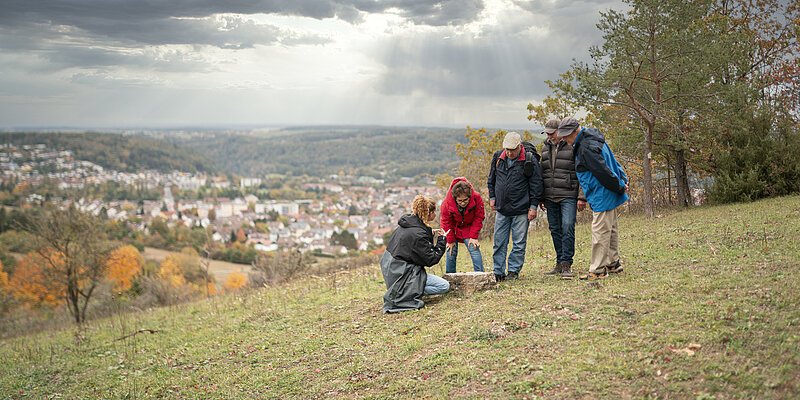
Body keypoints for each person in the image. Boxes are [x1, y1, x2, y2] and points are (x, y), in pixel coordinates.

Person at [558, 117, 628, 280]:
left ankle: (597, 270)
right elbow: (612, 161)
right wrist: (621, 180)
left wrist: (619, 185)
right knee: (611, 229)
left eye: (566, 135)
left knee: (600, 231)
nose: (563, 139)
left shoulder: (585, 147)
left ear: (574, 132)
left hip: (602, 192)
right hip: (608, 190)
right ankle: (613, 262)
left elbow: (602, 171)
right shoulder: (593, 138)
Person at [487, 131, 543, 282]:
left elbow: (536, 184)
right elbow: (491, 179)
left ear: (519, 146)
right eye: (507, 149)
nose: (509, 152)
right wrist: (492, 197)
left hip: (521, 209)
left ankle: (513, 271)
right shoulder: (498, 157)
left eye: (512, 149)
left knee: (519, 243)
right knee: (499, 242)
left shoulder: (529, 160)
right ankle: (498, 271)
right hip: (502, 209)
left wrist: (533, 206)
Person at [380, 195, 450, 313]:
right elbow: (431, 259)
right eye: (434, 211)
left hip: (391, 270)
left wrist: (429, 232)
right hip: (402, 273)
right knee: (443, 286)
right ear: (429, 213)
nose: (435, 214)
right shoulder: (418, 234)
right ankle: (410, 293)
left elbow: (413, 238)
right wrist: (442, 240)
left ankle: (410, 290)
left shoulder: (407, 223)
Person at [539, 118, 587, 279]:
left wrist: (582, 196)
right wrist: (541, 196)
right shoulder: (545, 148)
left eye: (551, 133)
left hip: (568, 194)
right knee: (555, 229)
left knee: (567, 227)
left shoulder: (572, 146)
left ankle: (567, 263)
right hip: (550, 195)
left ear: (559, 131)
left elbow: (582, 171)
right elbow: (542, 173)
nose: (549, 136)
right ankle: (559, 262)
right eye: (547, 133)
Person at [440, 177, 485, 273]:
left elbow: (479, 217)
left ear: (470, 196)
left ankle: (480, 275)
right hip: (454, 228)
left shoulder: (476, 198)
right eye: (460, 201)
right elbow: (446, 222)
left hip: (469, 228)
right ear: (455, 198)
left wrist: (473, 236)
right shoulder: (446, 203)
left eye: (465, 200)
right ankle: (450, 277)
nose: (463, 203)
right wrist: (450, 240)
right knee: (450, 250)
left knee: (474, 248)